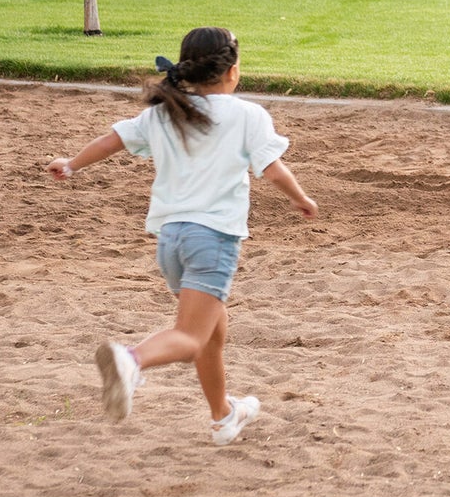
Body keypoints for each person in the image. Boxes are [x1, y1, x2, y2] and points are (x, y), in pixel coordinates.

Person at [47, 27, 317, 445]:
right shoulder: (247, 115)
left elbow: (111, 141)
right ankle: (131, 360)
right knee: (191, 337)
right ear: (232, 71)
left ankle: (223, 415)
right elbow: (272, 169)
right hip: (212, 240)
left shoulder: (164, 111)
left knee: (211, 333)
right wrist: (301, 198)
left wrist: (71, 164)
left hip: (170, 240)